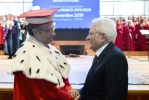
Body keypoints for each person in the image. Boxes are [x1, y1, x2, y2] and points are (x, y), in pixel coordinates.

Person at [7, 8, 80, 100]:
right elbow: (44, 92)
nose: (54, 34)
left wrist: (69, 89)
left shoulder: (49, 47)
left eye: (53, 29)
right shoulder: (28, 53)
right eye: (49, 31)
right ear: (35, 32)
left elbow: (62, 75)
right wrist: (69, 96)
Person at [78, 18, 128, 100]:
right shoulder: (101, 54)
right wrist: (79, 92)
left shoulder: (115, 57)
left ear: (103, 37)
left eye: (91, 34)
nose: (87, 38)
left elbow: (116, 97)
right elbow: (94, 88)